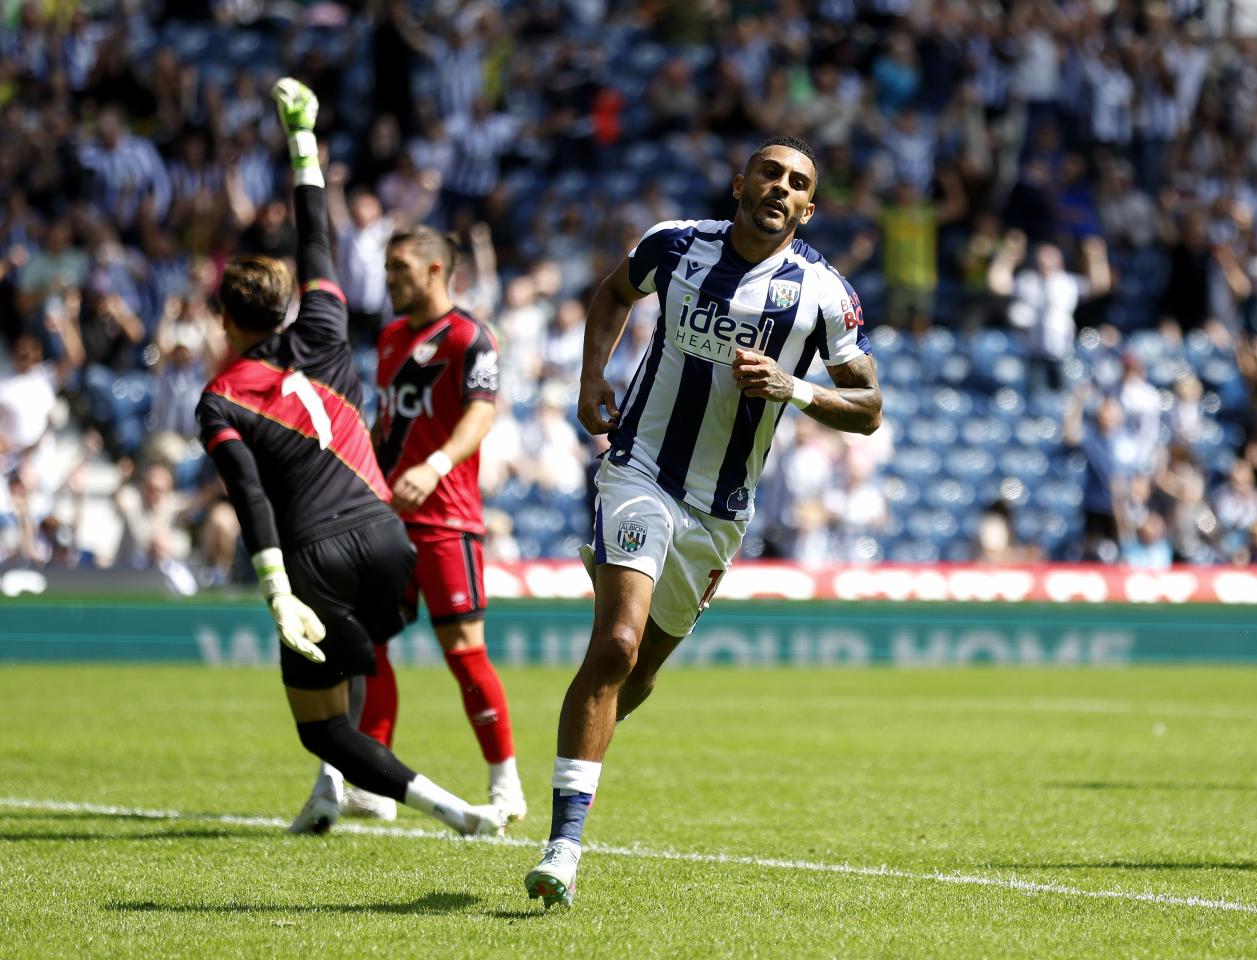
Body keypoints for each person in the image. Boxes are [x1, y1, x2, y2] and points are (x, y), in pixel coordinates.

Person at [523, 136, 882, 907]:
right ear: (740, 182)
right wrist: (593, 379)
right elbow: (613, 294)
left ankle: (584, 735)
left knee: (638, 673)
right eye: (769, 172)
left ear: (808, 208)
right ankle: (564, 844)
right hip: (640, 469)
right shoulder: (675, 246)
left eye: (798, 183)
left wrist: (794, 387)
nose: (780, 187)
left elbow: (871, 408)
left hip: (720, 511)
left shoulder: (823, 294)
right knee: (615, 644)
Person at [194, 78, 503, 838]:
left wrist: (274, 589)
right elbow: (316, 240)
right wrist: (304, 142)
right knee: (360, 660)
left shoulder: (221, 397)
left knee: (321, 722)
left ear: (225, 317)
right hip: (388, 539)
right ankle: (334, 791)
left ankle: (451, 809)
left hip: (315, 558)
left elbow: (250, 500)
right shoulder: (328, 325)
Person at [327, 223, 524, 826]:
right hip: (388, 519)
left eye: (401, 269)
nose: (389, 281)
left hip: (447, 521)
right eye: (388, 270)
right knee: (369, 645)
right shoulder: (388, 338)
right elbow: (388, 424)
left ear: (436, 270)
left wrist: (436, 465)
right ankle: (374, 784)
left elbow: (482, 415)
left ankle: (505, 783)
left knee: (463, 652)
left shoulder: (470, 337)